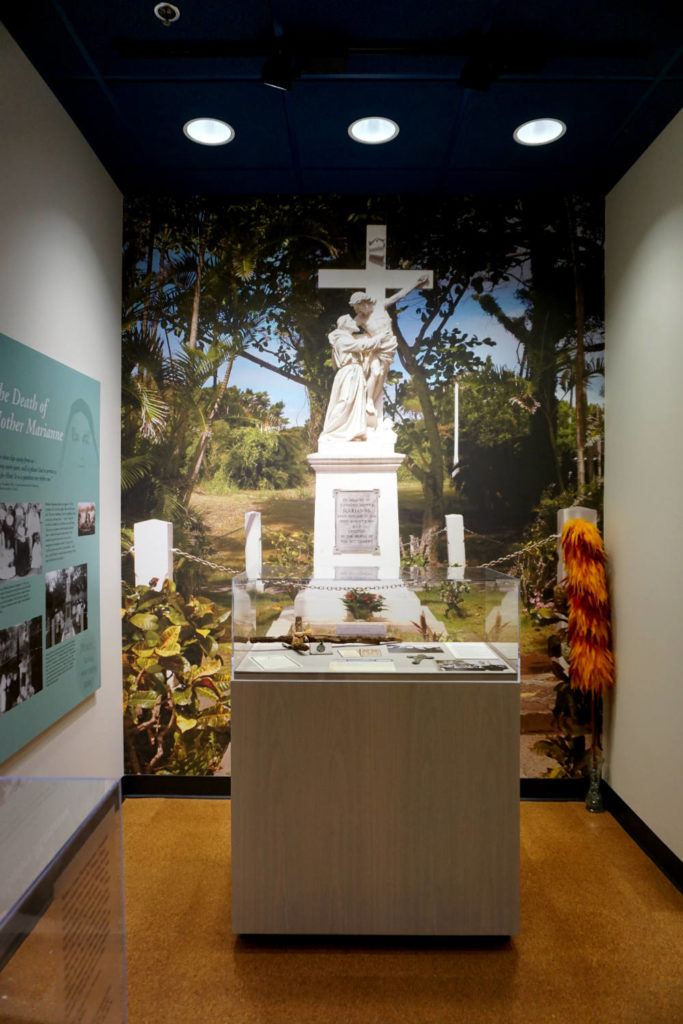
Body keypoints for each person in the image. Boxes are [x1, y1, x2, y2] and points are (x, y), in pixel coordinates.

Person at [350, 274, 430, 423]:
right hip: (376, 347)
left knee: (382, 375)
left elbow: (400, 294)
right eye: (355, 310)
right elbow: (345, 330)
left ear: (363, 303)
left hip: (389, 347)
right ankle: (368, 402)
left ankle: (372, 400)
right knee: (375, 371)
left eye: (357, 307)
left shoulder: (380, 305)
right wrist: (360, 341)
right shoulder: (360, 319)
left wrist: (415, 283)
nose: (357, 312)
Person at [320, 315, 379, 442]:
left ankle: (353, 431)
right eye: (351, 320)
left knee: (356, 403)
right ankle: (331, 431)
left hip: (355, 372)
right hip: (349, 372)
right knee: (345, 400)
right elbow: (362, 346)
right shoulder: (342, 340)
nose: (355, 321)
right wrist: (381, 337)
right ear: (345, 324)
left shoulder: (347, 338)